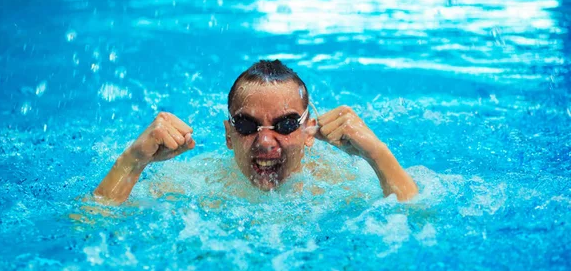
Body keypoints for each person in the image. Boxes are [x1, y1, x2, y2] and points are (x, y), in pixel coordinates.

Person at [93, 60, 418, 205]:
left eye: (286, 125)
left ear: (309, 131)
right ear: (228, 135)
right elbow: (89, 222)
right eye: (247, 125)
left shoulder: (341, 184)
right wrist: (132, 161)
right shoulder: (193, 186)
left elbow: (419, 217)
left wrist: (377, 154)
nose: (265, 142)